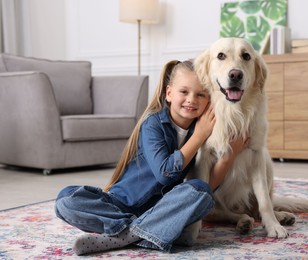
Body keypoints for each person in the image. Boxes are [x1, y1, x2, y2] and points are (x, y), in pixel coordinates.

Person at [55, 60, 249, 255]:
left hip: (163, 209)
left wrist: (228, 156)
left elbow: (206, 183)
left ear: (209, 100)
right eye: (184, 92)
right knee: (66, 199)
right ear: (169, 93)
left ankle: (125, 236)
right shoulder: (153, 123)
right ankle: (150, 232)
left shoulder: (203, 129)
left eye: (200, 94)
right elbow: (165, 173)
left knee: (202, 192)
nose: (192, 99)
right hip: (121, 205)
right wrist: (199, 136)